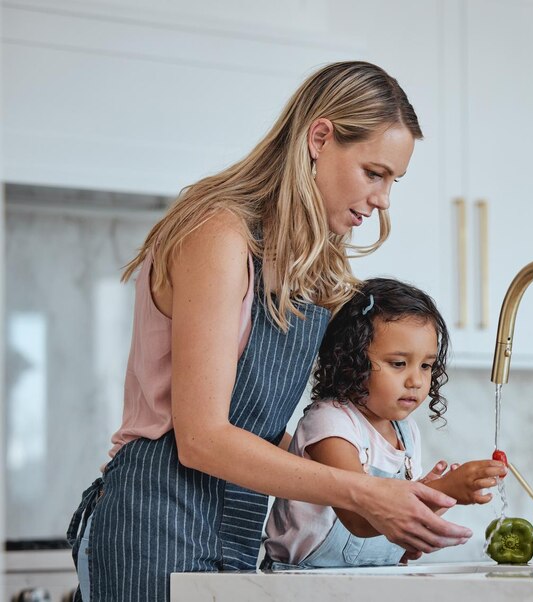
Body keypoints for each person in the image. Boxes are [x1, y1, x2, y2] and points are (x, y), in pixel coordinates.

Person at [66, 62, 473, 601]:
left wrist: (391, 506)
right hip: (154, 522)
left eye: (393, 180)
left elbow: (262, 432)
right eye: (374, 173)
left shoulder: (310, 265)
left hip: (237, 527)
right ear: (320, 137)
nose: (383, 200)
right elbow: (202, 438)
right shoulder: (218, 233)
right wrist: (365, 491)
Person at [263, 278, 506, 568]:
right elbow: (360, 516)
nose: (416, 380)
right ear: (350, 361)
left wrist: (422, 518)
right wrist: (448, 489)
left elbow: (396, 519)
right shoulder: (330, 423)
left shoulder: (406, 432)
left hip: (371, 579)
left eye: (426, 366)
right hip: (301, 583)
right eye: (398, 364)